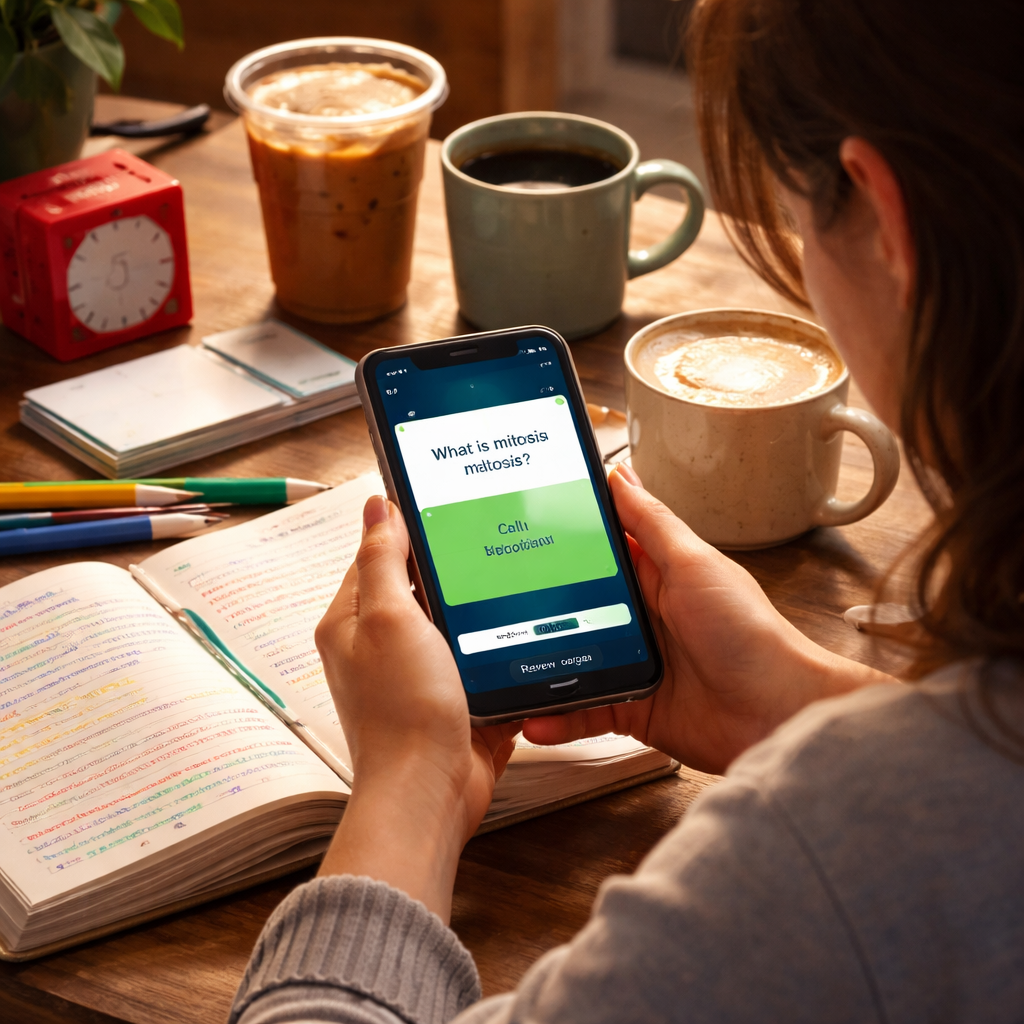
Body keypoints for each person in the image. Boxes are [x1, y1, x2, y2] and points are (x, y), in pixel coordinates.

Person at [229, 1, 1024, 1020]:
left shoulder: (827, 860)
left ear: (886, 220)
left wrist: (413, 784)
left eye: (788, 212)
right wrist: (794, 705)